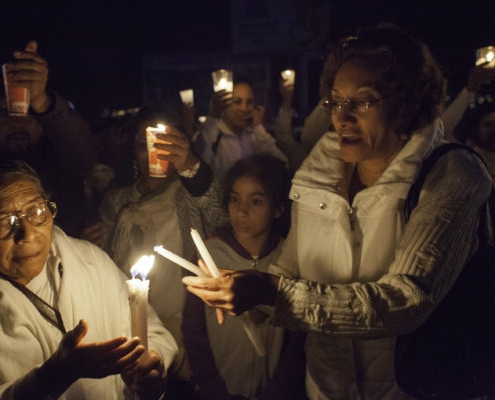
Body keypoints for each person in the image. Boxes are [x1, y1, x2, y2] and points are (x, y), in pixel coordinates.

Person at [182, 24, 493, 399]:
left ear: (406, 103)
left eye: (362, 101)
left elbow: (406, 301)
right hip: (326, 389)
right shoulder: (317, 176)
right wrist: (242, 290)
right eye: (335, 101)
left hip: (414, 389)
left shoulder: (452, 173)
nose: (342, 118)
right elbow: (289, 271)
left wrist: (272, 291)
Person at [0, 156, 177, 399]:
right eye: (4, 222)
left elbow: (152, 332)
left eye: (37, 212)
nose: (28, 234)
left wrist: (152, 365)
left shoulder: (90, 260)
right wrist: (53, 376)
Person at [99, 104, 228, 385]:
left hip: (184, 326)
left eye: (165, 144)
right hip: (129, 322)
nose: (153, 153)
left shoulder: (190, 194)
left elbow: (220, 213)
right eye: (144, 145)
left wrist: (192, 167)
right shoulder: (118, 201)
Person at [182, 154, 306, 400]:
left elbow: (297, 337)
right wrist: (213, 388)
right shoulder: (210, 253)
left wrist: (278, 390)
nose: (241, 211)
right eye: (235, 199)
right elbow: (193, 329)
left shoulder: (290, 257)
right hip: (220, 387)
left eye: (256, 202)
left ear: (279, 208)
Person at [0, 40, 100, 240]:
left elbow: (84, 154)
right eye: (4, 112)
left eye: (27, 111)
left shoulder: (62, 161)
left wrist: (42, 101)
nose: (17, 122)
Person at [197, 79, 288, 177]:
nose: (244, 109)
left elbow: (282, 165)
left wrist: (258, 128)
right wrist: (213, 116)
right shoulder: (213, 136)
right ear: (224, 104)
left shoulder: (254, 135)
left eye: (249, 102)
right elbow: (199, 166)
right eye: (237, 102)